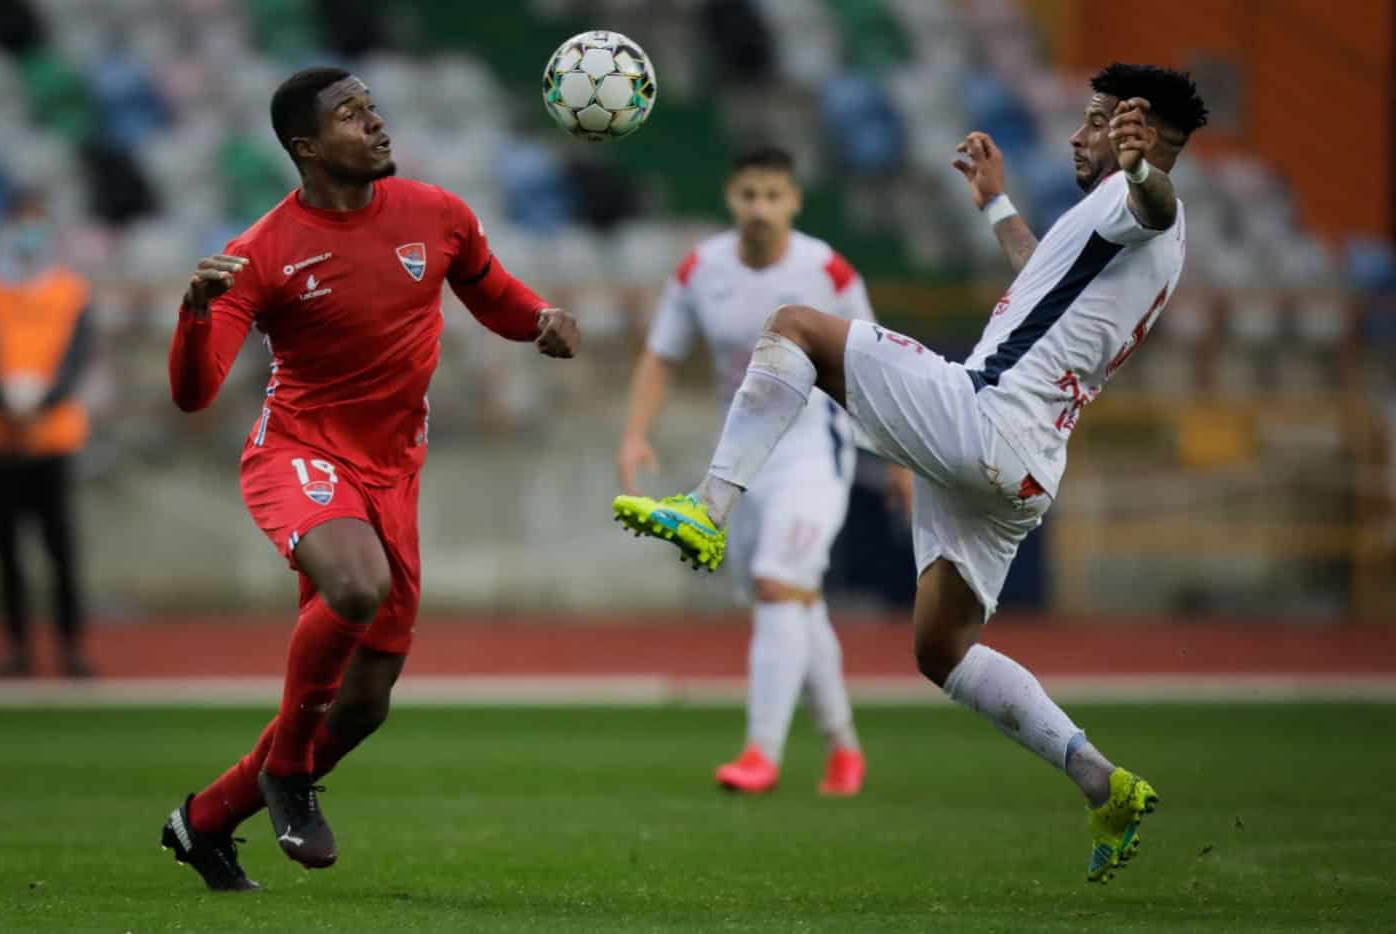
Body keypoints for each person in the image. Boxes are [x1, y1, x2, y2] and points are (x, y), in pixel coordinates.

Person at [614, 63, 1207, 882]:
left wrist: (1143, 167)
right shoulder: (1114, 226)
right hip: (1027, 467)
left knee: (794, 328)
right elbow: (1045, 274)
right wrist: (996, 205)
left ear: (1138, 129)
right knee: (942, 648)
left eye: (1097, 119)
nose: (1078, 133)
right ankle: (1099, 781)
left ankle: (708, 508)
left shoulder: (1145, 202)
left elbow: (1157, 201)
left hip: (985, 414)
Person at [160, 67, 579, 891]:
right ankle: (286, 771)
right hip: (297, 454)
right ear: (307, 149)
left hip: (393, 472)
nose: (377, 124)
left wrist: (538, 320)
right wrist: (196, 311)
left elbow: (489, 292)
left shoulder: (437, 213)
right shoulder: (261, 252)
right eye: (353, 116)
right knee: (354, 586)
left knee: (363, 707)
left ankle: (203, 822)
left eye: (374, 109)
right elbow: (194, 392)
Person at [618, 147, 910, 796]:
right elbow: (661, 355)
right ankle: (844, 749)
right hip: (741, 459)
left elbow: (876, 365)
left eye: (773, 196)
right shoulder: (700, 269)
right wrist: (637, 433)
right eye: (749, 195)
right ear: (731, 197)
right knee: (794, 602)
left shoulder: (828, 270)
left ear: (794, 201)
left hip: (814, 449)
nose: (760, 209)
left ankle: (761, 754)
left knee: (779, 584)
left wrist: (897, 456)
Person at [0, 190, 96, 678]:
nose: (28, 234)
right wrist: (7, 405)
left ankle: (70, 648)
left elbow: (76, 357)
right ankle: (17, 649)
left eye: (36, 223)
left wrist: (43, 404)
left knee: (60, 551)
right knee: (8, 554)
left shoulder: (70, 291)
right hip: (2, 440)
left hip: (54, 438)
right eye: (21, 223)